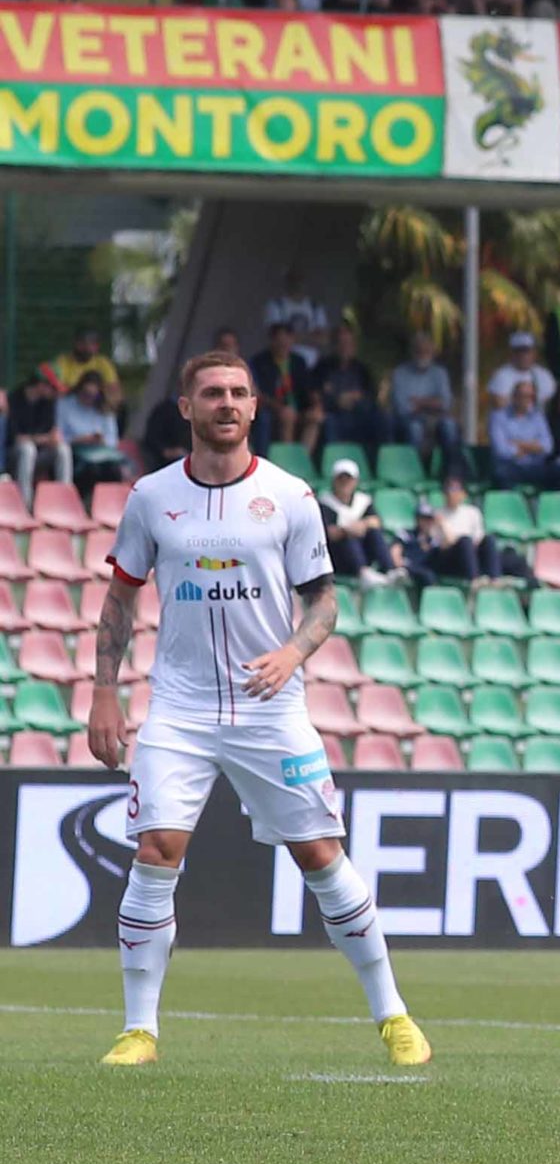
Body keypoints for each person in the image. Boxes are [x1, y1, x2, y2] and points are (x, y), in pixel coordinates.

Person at [89, 351, 430, 1071]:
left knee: (321, 855)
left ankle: (393, 1014)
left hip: (269, 708)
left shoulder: (290, 495)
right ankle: (138, 1030)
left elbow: (324, 602)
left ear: (253, 407)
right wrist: (103, 692)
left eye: (239, 392)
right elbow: (120, 599)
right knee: (156, 850)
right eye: (212, 392)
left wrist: (292, 653)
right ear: (186, 407)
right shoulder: (151, 496)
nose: (227, 402)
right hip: (179, 706)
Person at [416, 476, 529, 586]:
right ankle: (474, 580)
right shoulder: (437, 515)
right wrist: (444, 525)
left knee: (489, 540)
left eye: (455, 490)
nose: (451, 494)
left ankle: (495, 578)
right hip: (450, 557)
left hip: (471, 553)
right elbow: (442, 544)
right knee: (465, 541)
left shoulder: (472, 512)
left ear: (463, 494)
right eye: (448, 490)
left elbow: (478, 538)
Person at [317, 461, 410, 585]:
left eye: (348, 479)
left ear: (355, 482)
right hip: (339, 556)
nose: (344, 483)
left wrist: (362, 525)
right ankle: (363, 572)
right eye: (341, 479)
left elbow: (376, 522)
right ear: (334, 481)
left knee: (374, 533)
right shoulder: (325, 503)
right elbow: (328, 533)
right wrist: (346, 530)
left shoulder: (363, 501)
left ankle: (390, 570)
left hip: (364, 549)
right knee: (348, 536)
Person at [387, 333, 461, 478]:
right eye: (419, 351)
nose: (423, 355)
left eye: (427, 351)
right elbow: (403, 407)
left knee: (450, 426)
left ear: (433, 353)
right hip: (409, 420)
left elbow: (446, 403)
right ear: (412, 352)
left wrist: (420, 402)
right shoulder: (400, 373)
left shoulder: (440, 373)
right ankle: (417, 472)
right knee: (415, 429)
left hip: (436, 419)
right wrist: (433, 402)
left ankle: (452, 474)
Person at [250, 323, 318, 452]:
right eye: (279, 341)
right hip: (273, 408)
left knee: (315, 417)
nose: (283, 345)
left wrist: (316, 405)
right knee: (288, 415)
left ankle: (303, 456)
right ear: (272, 341)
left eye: (286, 340)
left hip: (298, 408)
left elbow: (308, 388)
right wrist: (278, 407)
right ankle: (289, 456)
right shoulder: (261, 362)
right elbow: (260, 393)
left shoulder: (298, 361)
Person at [488, 377, 556, 490]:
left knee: (558, 475)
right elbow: (502, 450)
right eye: (522, 395)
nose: (526, 400)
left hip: (535, 467)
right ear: (513, 396)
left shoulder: (538, 417)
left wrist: (518, 444)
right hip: (509, 467)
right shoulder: (498, 417)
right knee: (502, 474)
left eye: (530, 396)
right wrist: (534, 447)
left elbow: (547, 447)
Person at [61, 373, 125, 489]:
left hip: (101, 453)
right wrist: (79, 440)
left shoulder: (105, 409)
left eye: (93, 395)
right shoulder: (64, 405)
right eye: (86, 394)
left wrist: (101, 441)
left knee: (113, 468)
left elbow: (113, 441)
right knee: (92, 470)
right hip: (75, 453)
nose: (89, 399)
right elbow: (58, 437)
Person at [12, 370, 70, 497]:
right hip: (14, 456)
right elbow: (18, 439)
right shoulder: (14, 399)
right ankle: (25, 501)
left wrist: (54, 438)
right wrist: (45, 438)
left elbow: (53, 434)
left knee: (63, 449)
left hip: (40, 453)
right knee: (28, 449)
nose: (55, 393)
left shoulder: (48, 402)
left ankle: (64, 498)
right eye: (53, 388)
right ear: (41, 385)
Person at [52, 326, 122, 413]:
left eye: (91, 344)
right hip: (69, 405)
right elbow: (58, 390)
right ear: (75, 343)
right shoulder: (63, 361)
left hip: (96, 405)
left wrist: (96, 394)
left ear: (97, 346)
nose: (87, 347)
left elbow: (114, 389)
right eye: (82, 343)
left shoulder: (103, 362)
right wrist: (81, 390)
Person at [487, 330, 557, 409]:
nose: (523, 356)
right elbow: (499, 403)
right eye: (519, 351)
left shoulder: (544, 375)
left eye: (527, 351)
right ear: (511, 353)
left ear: (534, 353)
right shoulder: (501, 375)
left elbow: (552, 401)